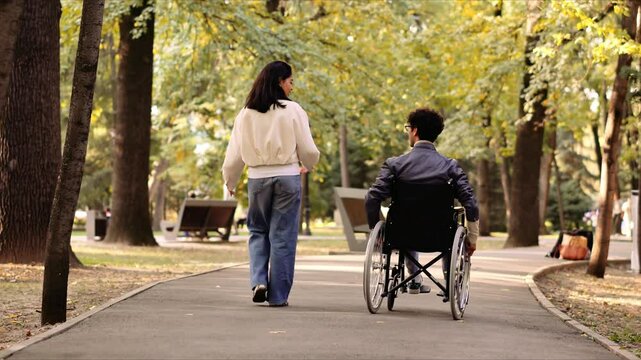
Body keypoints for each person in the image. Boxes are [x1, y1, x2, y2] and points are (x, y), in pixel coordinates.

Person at [222, 61, 320, 307]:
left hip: (257, 179)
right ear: (280, 81)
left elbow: (233, 153)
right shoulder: (293, 110)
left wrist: (230, 180)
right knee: (283, 236)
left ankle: (258, 281)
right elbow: (308, 149)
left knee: (258, 231)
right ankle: (278, 296)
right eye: (290, 81)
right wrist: (309, 163)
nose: (292, 87)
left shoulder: (245, 113)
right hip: (287, 177)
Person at [365, 107, 479, 294]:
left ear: (415, 131)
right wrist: (472, 239)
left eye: (407, 128)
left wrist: (375, 231)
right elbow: (471, 203)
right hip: (440, 235)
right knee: (448, 222)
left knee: (406, 220)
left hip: (401, 233)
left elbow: (373, 197)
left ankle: (414, 279)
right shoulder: (450, 167)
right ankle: (450, 283)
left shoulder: (394, 165)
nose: (407, 132)